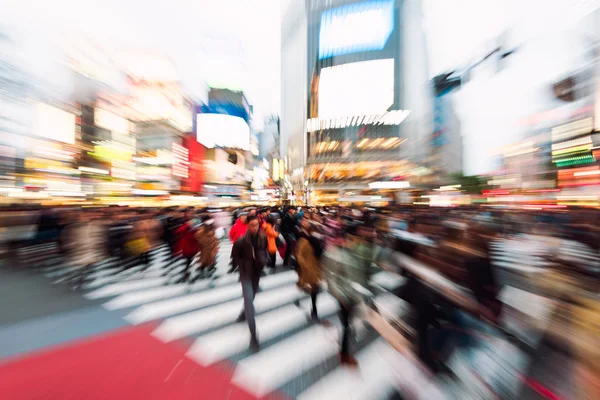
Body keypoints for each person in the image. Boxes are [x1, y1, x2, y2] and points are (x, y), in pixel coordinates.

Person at [232, 215, 267, 351]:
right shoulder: (241, 241)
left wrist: (263, 259)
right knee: (249, 303)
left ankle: (242, 314)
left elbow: (264, 251)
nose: (255, 228)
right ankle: (253, 336)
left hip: (256, 274)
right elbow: (235, 258)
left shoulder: (262, 238)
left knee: (250, 299)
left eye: (257, 225)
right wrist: (245, 263)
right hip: (246, 274)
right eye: (252, 225)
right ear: (247, 226)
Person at [295, 219, 324, 321]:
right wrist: (304, 265)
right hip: (309, 268)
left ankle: (314, 309)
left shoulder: (314, 239)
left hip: (314, 268)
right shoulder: (304, 240)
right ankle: (314, 310)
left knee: (314, 288)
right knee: (312, 287)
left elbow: (320, 253)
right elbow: (299, 255)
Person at [173, 208, 200, 284]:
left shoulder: (196, 220)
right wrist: (187, 225)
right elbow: (177, 231)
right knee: (187, 261)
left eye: (192, 212)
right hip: (186, 245)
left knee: (191, 261)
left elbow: (198, 230)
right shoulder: (181, 221)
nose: (190, 214)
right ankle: (187, 275)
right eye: (189, 213)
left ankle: (188, 274)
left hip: (194, 244)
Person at [194, 214, 219, 281]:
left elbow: (214, 237)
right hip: (206, 249)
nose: (210, 221)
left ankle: (208, 271)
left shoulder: (211, 227)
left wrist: (216, 245)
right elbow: (198, 237)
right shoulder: (202, 229)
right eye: (208, 220)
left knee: (211, 261)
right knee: (206, 261)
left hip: (213, 248)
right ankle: (202, 271)